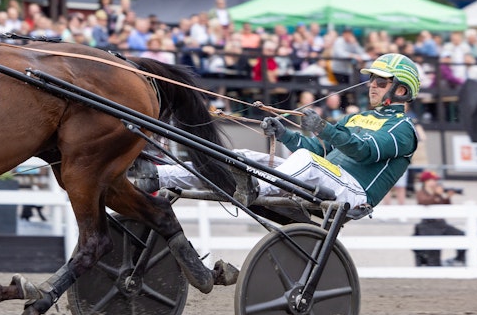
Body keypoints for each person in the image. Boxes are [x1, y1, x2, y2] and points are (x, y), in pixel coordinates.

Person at [137, 53, 421, 210]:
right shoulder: (357, 118)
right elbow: (319, 151)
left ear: (401, 90)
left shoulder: (403, 130)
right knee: (244, 155)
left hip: (355, 193)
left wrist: (324, 128)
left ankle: (257, 187)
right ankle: (159, 175)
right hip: (324, 176)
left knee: (308, 164)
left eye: (381, 82)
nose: (372, 85)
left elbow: (364, 151)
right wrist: (284, 133)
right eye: (372, 80)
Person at [413, 170, 466, 267]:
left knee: (462, 236)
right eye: (432, 180)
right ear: (426, 181)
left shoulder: (437, 192)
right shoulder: (421, 193)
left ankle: (459, 259)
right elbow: (425, 202)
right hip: (428, 226)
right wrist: (436, 194)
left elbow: (444, 206)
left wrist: (447, 197)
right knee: (434, 253)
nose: (435, 182)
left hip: (441, 224)